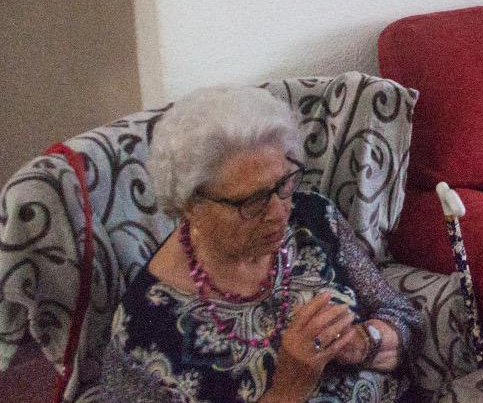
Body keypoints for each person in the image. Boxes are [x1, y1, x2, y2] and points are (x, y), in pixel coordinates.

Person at [99, 86, 423, 402]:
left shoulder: (313, 217)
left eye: (284, 183)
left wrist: (365, 343)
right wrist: (287, 391)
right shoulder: (142, 332)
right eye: (251, 201)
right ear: (189, 205)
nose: (279, 212)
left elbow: (402, 317)